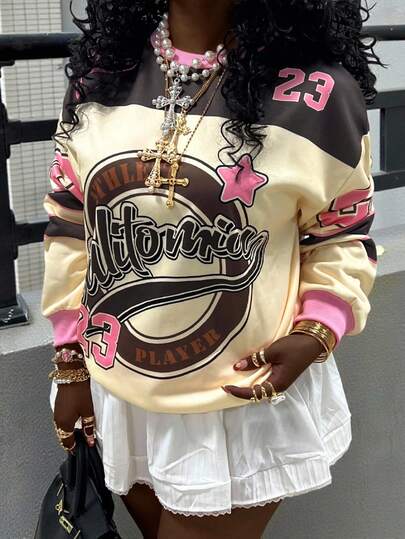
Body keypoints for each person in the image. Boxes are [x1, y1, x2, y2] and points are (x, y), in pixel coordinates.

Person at [42, 0, 381, 537]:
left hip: (240, 401)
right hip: (120, 395)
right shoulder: (102, 75)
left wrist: (317, 331)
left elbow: (342, 234)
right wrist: (69, 363)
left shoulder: (319, 95)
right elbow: (71, 224)